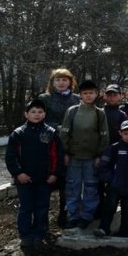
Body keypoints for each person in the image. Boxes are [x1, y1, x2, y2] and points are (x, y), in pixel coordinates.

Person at [6, 99, 62, 248]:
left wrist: (54, 174)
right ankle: (25, 235)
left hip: (44, 179)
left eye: (40, 112)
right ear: (26, 114)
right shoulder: (18, 133)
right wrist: (18, 173)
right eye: (33, 112)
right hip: (24, 179)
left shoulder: (50, 133)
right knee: (25, 207)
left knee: (42, 206)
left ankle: (39, 233)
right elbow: (11, 156)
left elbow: (57, 156)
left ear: (45, 114)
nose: (36, 115)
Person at [60, 79, 109, 229]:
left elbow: (104, 136)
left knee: (90, 187)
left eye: (91, 93)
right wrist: (65, 152)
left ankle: (87, 215)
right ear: (80, 95)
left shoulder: (100, 113)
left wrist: (100, 155)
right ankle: (73, 215)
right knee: (73, 187)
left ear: (96, 94)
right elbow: (65, 133)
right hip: (74, 157)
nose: (88, 96)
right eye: (85, 93)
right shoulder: (72, 111)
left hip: (91, 159)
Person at [94, 120, 128, 238]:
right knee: (109, 207)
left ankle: (126, 234)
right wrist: (111, 180)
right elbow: (103, 167)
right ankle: (103, 229)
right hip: (114, 186)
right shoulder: (112, 149)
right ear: (120, 133)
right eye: (126, 133)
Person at [38, 68, 80, 227]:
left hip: (71, 145)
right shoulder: (45, 98)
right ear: (52, 82)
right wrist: (57, 127)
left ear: (70, 82)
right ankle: (42, 218)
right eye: (58, 80)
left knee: (67, 182)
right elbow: (39, 118)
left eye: (64, 79)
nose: (61, 83)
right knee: (48, 181)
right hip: (50, 143)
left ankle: (63, 214)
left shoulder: (77, 99)